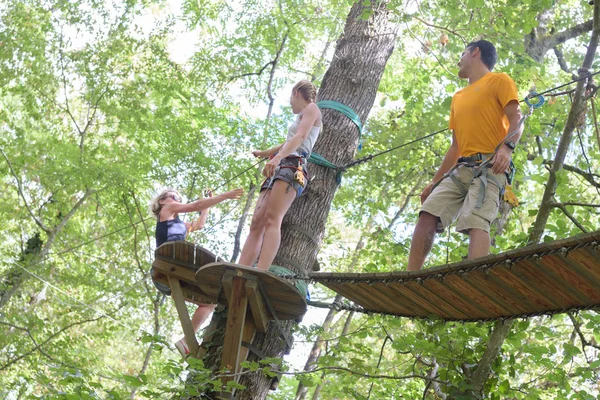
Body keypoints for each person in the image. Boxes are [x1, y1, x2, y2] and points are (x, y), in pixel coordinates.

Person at [407, 40, 523, 271]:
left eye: (462, 53)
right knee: (428, 212)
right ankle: (410, 277)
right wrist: (434, 181)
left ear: (475, 52)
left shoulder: (498, 80)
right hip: (461, 168)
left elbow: (516, 118)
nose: (458, 60)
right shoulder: (458, 98)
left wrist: (506, 148)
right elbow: (455, 148)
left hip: (491, 166)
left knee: (477, 220)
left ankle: (475, 280)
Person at [238, 80, 322, 271]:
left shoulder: (312, 108)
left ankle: (260, 271)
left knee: (271, 219)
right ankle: (240, 269)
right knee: (257, 221)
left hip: (293, 165)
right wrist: (265, 153)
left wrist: (277, 159)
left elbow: (300, 138)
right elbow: (288, 141)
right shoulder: (300, 115)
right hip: (281, 164)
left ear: (296, 93)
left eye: (291, 98)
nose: (290, 103)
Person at [149, 187, 243, 356]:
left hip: (176, 271)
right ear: (162, 201)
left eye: (178, 197)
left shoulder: (181, 225)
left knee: (210, 303)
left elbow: (199, 225)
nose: (176, 199)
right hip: (166, 265)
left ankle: (186, 340)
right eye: (173, 197)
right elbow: (195, 205)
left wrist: (206, 206)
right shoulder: (167, 210)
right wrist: (225, 196)